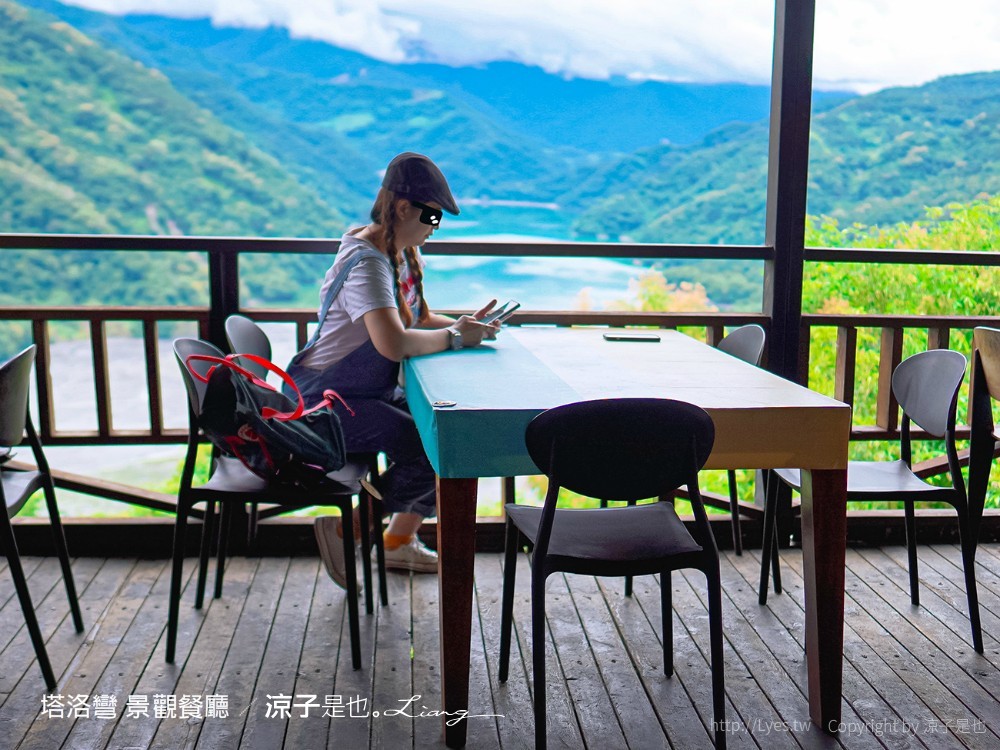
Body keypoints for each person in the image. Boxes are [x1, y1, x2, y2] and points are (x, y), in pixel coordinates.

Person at [285, 152, 499, 589]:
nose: (435, 227)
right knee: (431, 446)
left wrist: (466, 327)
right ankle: (349, 531)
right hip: (325, 404)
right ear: (403, 208)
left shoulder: (394, 253)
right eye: (432, 217)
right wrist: (457, 339)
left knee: (444, 431)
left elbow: (419, 319)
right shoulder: (367, 263)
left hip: (359, 394)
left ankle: (397, 540)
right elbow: (394, 343)